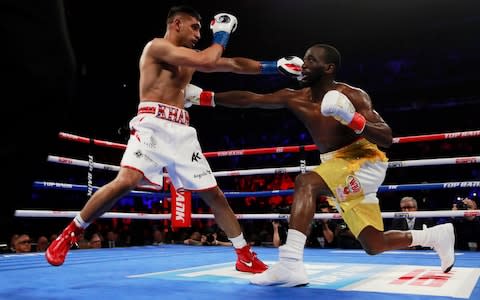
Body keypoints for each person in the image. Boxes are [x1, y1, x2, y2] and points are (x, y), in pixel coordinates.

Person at [45, 5, 301, 274]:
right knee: (127, 180)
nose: (199, 33)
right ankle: (70, 233)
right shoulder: (156, 47)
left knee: (214, 194)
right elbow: (209, 60)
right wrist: (222, 34)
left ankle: (244, 255)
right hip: (152, 125)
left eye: (202, 29)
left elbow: (232, 64)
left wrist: (277, 67)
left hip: (182, 131)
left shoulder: (192, 58)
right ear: (176, 23)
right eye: (195, 26)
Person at [186, 43, 455, 286]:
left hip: (363, 160)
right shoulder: (295, 96)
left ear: (329, 68)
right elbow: (252, 99)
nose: (304, 65)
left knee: (307, 182)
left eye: (311, 60)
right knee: (374, 243)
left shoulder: (352, 95)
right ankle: (434, 236)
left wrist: (352, 119)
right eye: (304, 59)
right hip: (335, 166)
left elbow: (386, 137)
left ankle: (291, 264)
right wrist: (204, 98)